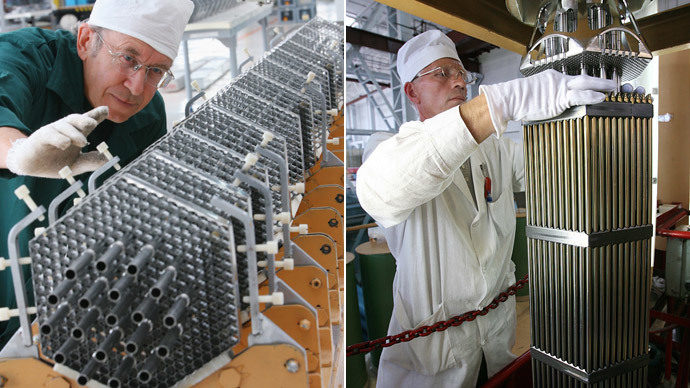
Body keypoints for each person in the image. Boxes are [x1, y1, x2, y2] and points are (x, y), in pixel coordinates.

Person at [356, 30, 615, 387]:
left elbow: (558, 165)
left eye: (462, 73)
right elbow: (384, 189)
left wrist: (590, 118)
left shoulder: (495, 150)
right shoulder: (385, 148)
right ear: (412, 92)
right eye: (442, 73)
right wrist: (502, 103)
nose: (459, 81)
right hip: (434, 354)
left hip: (495, 333)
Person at [0, 0, 194, 348]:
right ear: (87, 40)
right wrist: (18, 152)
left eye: (155, 71)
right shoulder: (28, 57)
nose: (136, 87)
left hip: (72, 297)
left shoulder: (146, 116)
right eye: (129, 58)